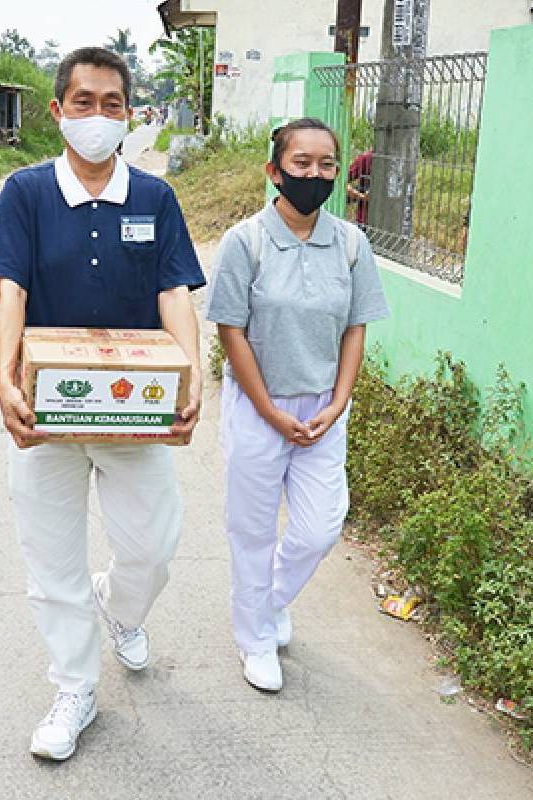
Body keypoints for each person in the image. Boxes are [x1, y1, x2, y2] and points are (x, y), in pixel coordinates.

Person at [0, 46, 205, 761]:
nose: (99, 117)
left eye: (113, 104)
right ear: (58, 111)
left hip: (133, 414)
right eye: (84, 103)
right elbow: (9, 288)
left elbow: (174, 292)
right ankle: (75, 688)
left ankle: (123, 611)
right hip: (48, 415)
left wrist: (191, 373)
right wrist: (4, 376)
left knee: (153, 547)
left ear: (131, 114)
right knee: (53, 564)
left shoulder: (154, 198)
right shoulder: (27, 194)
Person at [205, 118, 389, 692]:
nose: (314, 174)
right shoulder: (246, 242)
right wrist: (267, 409)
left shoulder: (353, 244)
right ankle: (255, 640)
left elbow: (356, 328)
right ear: (275, 171)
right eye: (301, 163)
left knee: (319, 527)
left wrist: (338, 403)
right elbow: (231, 331)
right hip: (260, 405)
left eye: (327, 164)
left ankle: (266, 602)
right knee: (252, 530)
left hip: (323, 411)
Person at [346, 148, 373, 226]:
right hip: (365, 220)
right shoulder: (367, 157)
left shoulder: (403, 156)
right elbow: (340, 181)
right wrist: (361, 196)